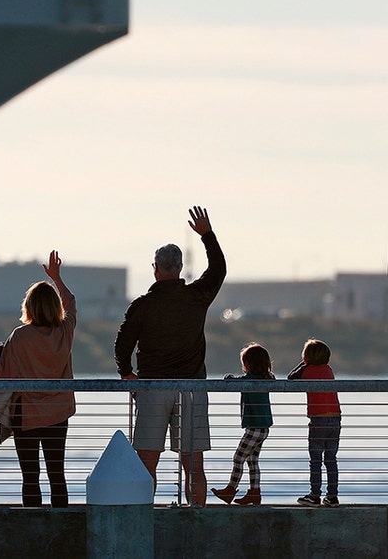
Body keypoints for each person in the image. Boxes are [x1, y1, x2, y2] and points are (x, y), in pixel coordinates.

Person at [114, 206, 226, 506]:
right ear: (178, 268)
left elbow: (122, 344)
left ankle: (145, 515)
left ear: (155, 268)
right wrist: (207, 236)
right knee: (194, 465)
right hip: (192, 389)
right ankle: (197, 516)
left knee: (146, 463)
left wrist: (127, 374)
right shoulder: (196, 296)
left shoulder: (142, 306)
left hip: (151, 388)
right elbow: (218, 270)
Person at [0, 251, 76, 507]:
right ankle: (60, 525)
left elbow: (6, 376)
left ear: (28, 307)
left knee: (30, 476)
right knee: (57, 474)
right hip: (57, 412)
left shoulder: (19, 337)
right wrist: (56, 279)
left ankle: (32, 525)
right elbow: (71, 301)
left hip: (26, 413)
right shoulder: (64, 332)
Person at [211, 343, 274, 506]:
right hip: (263, 428)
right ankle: (254, 492)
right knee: (252, 460)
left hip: (254, 428)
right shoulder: (267, 378)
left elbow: (231, 381)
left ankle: (230, 490)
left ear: (247, 364)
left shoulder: (249, 379)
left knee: (238, 457)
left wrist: (227, 377)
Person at [288, 338, 341, 507]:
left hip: (318, 419)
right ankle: (332, 496)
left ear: (307, 358)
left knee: (316, 459)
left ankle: (314, 495)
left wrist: (304, 364)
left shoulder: (308, 370)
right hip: (336, 417)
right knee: (331, 459)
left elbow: (291, 378)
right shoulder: (328, 370)